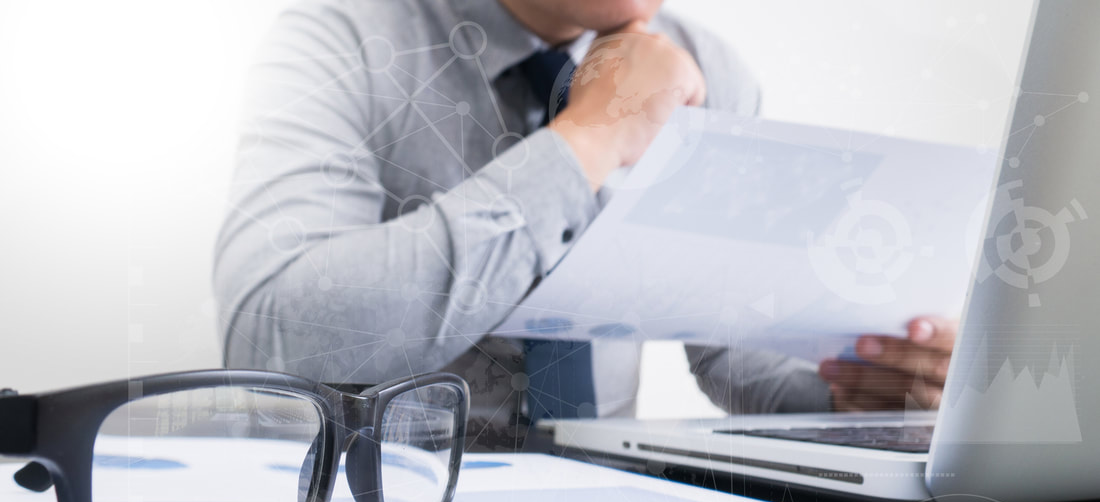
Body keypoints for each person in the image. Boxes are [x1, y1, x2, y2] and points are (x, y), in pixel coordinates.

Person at [213, 0, 956, 450]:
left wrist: (851, 390)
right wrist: (593, 136)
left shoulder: (706, 69)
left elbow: (733, 352)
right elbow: (276, 340)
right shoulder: (343, 35)